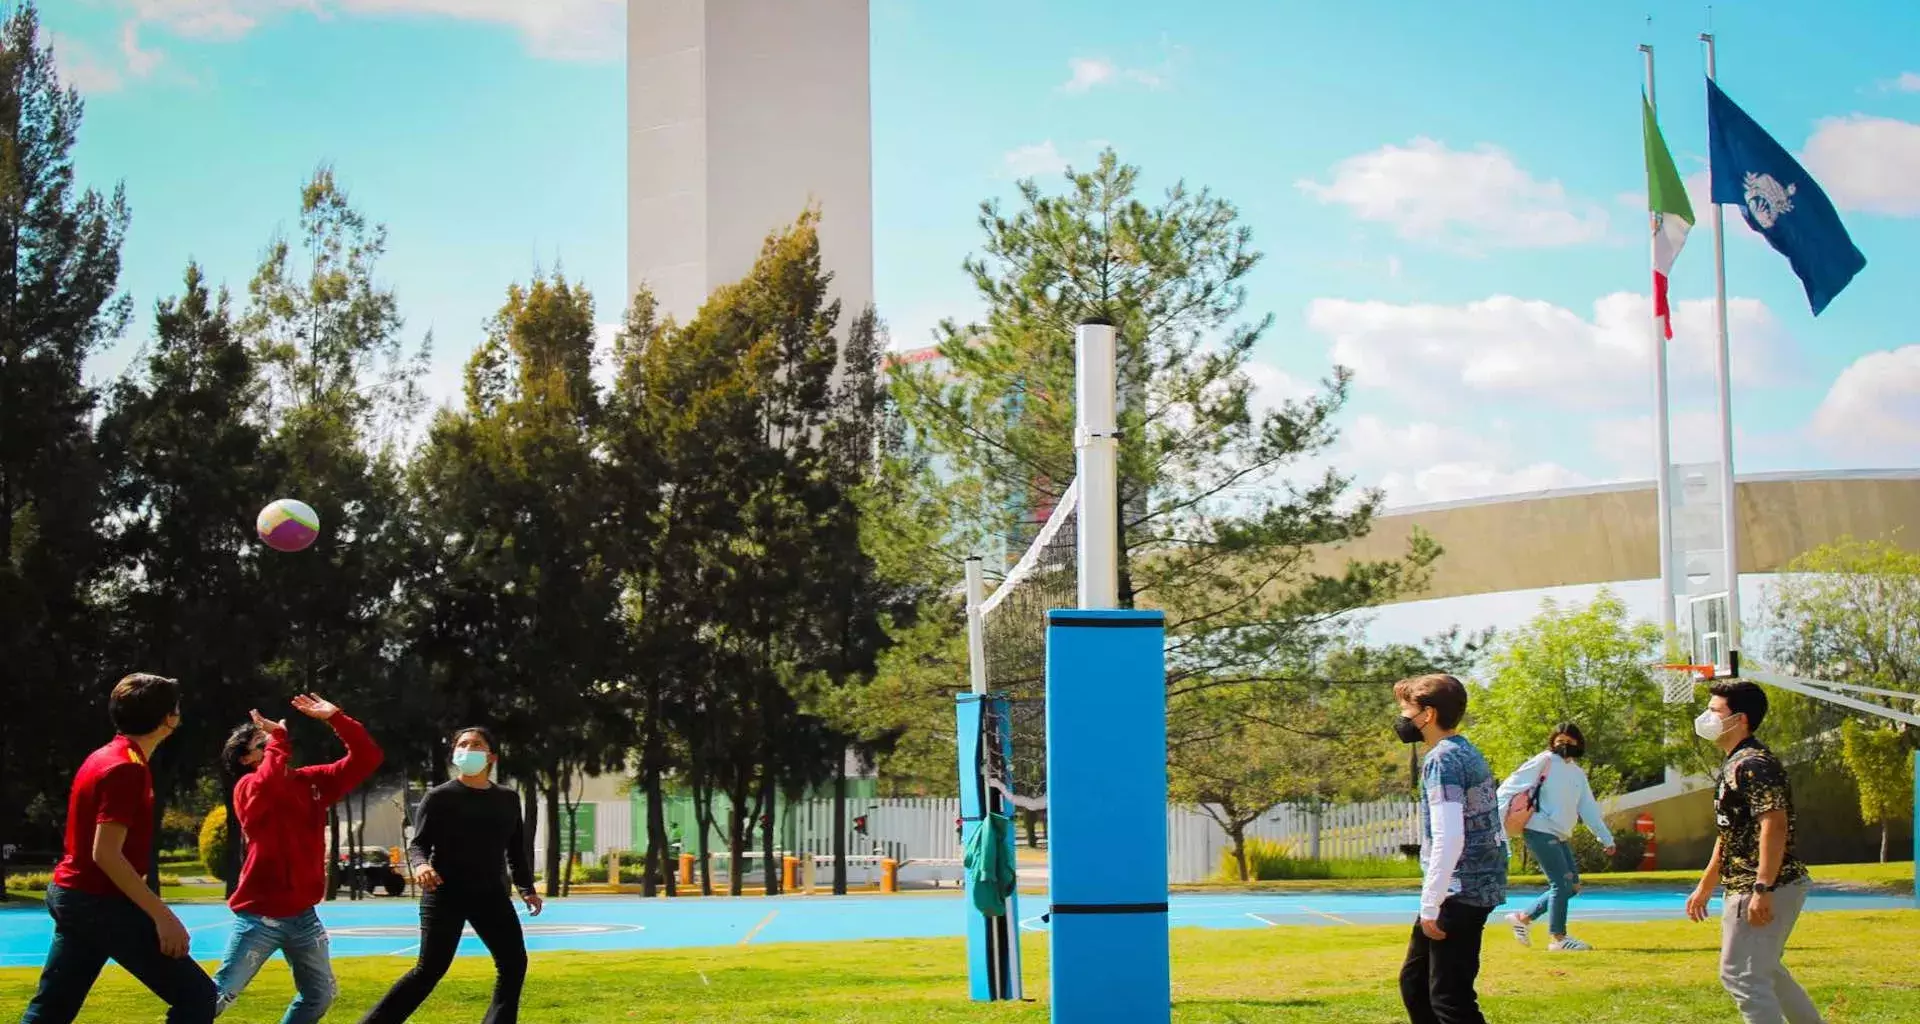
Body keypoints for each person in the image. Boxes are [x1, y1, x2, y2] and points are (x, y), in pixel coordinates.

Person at [22, 673, 219, 1023]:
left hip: (76, 895)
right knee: (197, 996)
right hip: (98, 901)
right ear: (168, 720)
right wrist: (163, 916)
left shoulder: (106, 756)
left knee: (50, 1011)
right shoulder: (125, 768)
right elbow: (106, 854)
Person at [212, 692, 384, 1023]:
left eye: (274, 743)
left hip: (303, 917)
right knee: (220, 995)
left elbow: (368, 757)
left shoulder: (310, 782)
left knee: (319, 996)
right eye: (263, 746)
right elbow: (270, 784)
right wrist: (278, 737)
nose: (275, 749)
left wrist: (337, 718)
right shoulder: (248, 787)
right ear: (245, 760)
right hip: (259, 918)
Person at [359, 726, 542, 1024]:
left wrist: (526, 887)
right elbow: (418, 844)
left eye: (476, 744)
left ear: (491, 756)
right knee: (429, 970)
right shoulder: (439, 797)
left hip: (490, 895)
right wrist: (421, 865)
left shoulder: (508, 799)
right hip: (445, 893)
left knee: (513, 964)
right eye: (463, 744)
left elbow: (515, 848)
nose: (468, 749)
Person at [1686, 680, 1826, 1024]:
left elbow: (1773, 824)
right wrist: (1706, 886)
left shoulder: (1754, 764)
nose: (1708, 717)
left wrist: (1762, 887)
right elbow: (1730, 831)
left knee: (1742, 976)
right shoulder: (1736, 763)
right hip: (1751, 885)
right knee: (1765, 971)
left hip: (1762, 886)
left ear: (1740, 719)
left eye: (1716, 711)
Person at [1393, 673, 1507, 1024]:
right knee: (1415, 984)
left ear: (1427, 714)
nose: (1402, 719)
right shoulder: (1466, 751)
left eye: (1406, 709)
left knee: (1450, 1000)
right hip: (1470, 887)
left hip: (1457, 892)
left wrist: (1431, 903)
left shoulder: (1442, 760)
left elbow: (1449, 836)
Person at [1496, 722, 1617, 951]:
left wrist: (1606, 838)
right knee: (1561, 883)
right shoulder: (1545, 761)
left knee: (1571, 886)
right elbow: (1508, 787)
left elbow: (1588, 808)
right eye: (1559, 741)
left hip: (1559, 833)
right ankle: (1558, 939)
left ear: (1578, 745)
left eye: (1569, 742)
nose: (1564, 746)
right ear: (1552, 742)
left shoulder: (1578, 774)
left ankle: (1523, 918)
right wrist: (1498, 824)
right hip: (1539, 828)